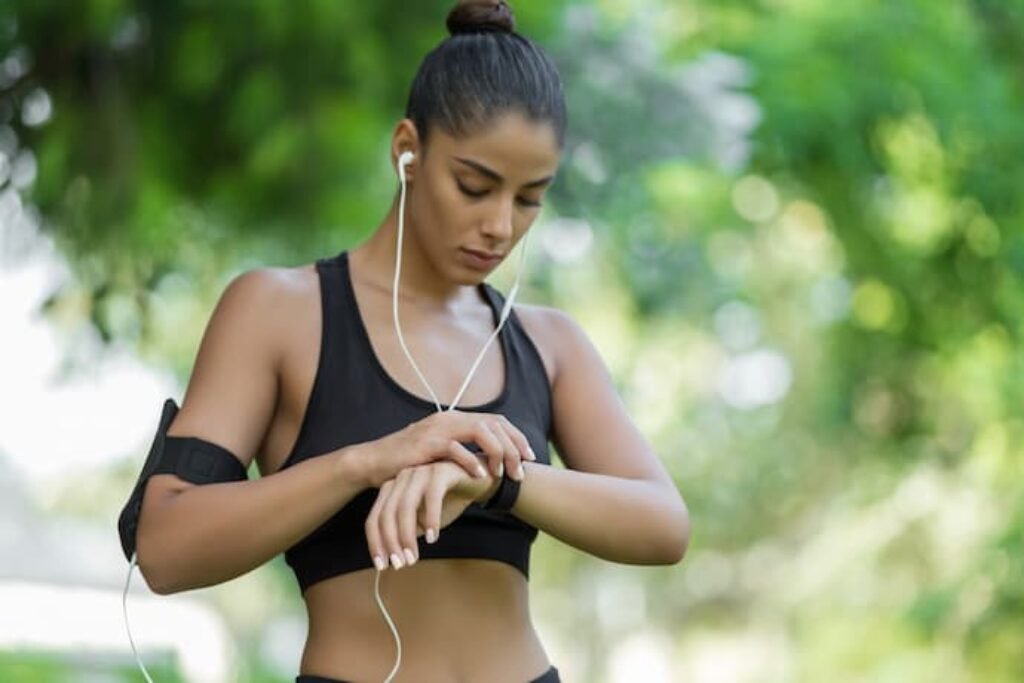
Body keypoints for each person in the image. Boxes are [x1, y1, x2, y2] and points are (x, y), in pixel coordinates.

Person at [130, 1, 690, 681]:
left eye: (528, 198)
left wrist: (492, 480)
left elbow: (664, 525)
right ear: (407, 151)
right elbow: (164, 547)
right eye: (474, 186)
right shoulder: (280, 311)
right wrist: (365, 462)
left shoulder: (550, 342)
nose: (499, 225)